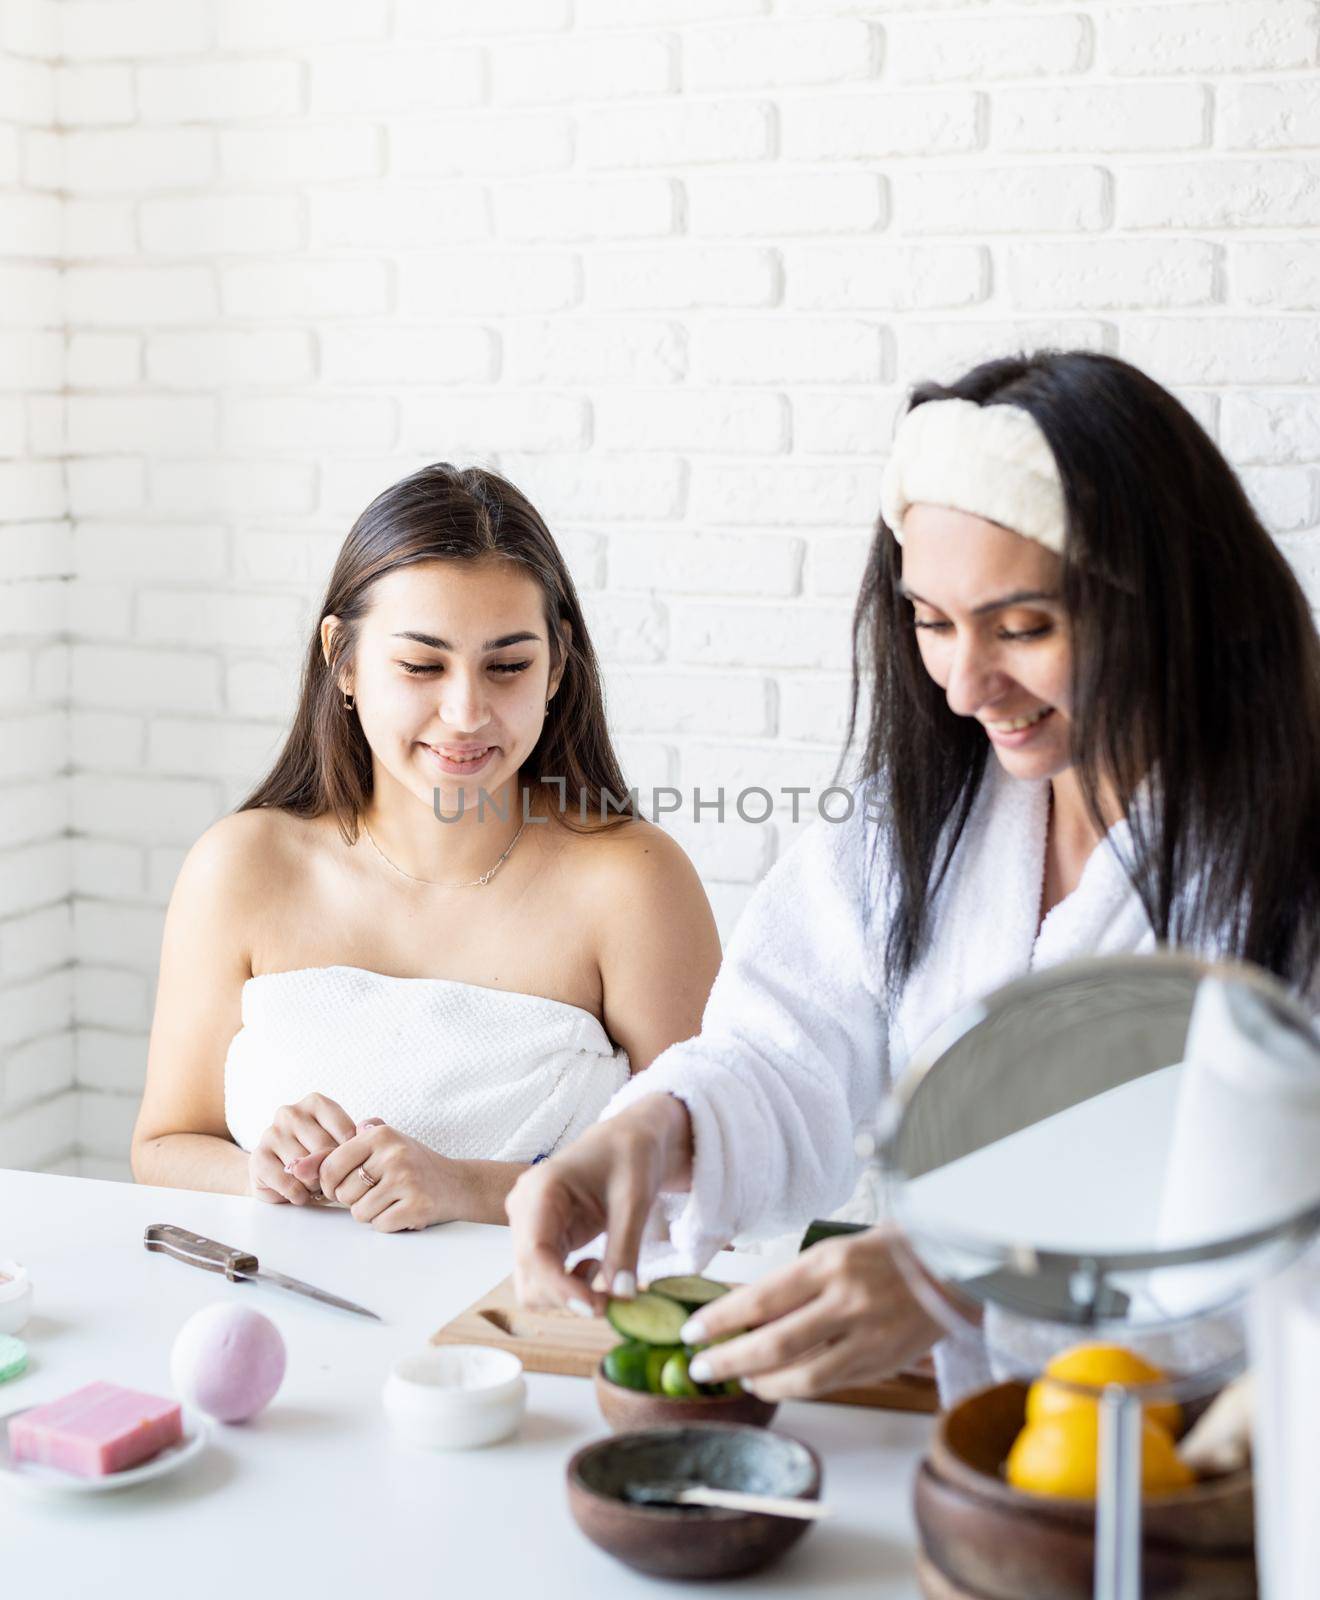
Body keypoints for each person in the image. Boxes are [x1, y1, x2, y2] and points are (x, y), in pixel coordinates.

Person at [505, 350, 1320, 1401]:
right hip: (972, 1445)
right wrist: (655, 1130)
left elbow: (1282, 1198)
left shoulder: (1289, 853)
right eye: (933, 622)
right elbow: (783, 1045)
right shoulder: (931, 819)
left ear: (1166, 601)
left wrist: (967, 1280)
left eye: (1024, 626)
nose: (969, 683)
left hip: (1228, 1471)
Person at [131, 464, 721, 1230]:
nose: (467, 711)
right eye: (421, 665)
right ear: (342, 660)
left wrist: (469, 1190)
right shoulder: (240, 868)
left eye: (508, 666)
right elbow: (164, 1146)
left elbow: (709, 1171)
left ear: (556, 668)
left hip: (529, 1328)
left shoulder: (632, 883)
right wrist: (260, 1172)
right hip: (288, 1318)